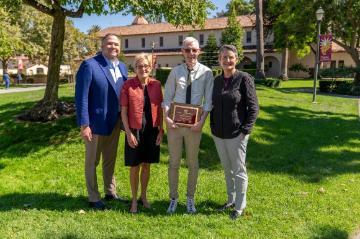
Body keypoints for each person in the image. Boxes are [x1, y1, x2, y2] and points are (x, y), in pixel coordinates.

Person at [75, 33, 128, 210]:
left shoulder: (122, 67)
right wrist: (84, 124)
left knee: (110, 160)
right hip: (94, 124)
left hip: (114, 122)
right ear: (102, 45)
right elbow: (81, 97)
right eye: (110, 43)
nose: (113, 47)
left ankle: (110, 192)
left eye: (117, 44)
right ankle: (93, 197)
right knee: (92, 161)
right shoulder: (90, 65)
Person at [163, 36, 214, 214]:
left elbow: (208, 101)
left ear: (199, 51)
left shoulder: (207, 72)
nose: (191, 53)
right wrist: (166, 118)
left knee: (193, 163)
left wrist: (201, 122)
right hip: (175, 126)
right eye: (187, 50)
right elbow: (167, 97)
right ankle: (173, 198)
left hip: (194, 126)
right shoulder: (175, 72)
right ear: (182, 51)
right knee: (174, 163)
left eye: (194, 49)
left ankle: (190, 198)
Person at [210, 45, 259, 220]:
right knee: (227, 169)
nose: (227, 60)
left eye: (231, 57)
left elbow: (254, 108)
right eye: (224, 57)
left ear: (236, 59)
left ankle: (239, 205)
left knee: (238, 170)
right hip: (218, 133)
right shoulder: (216, 80)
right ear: (219, 60)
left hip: (237, 133)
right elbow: (212, 104)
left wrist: (245, 130)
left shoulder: (244, 78)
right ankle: (230, 200)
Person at [120, 53, 163, 213]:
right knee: (134, 166)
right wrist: (128, 133)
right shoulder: (128, 85)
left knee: (146, 166)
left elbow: (160, 109)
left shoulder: (157, 85)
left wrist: (161, 130)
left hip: (151, 131)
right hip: (134, 130)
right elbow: (123, 112)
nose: (143, 69)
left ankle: (143, 197)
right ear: (135, 68)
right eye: (139, 66)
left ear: (150, 68)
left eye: (146, 66)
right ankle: (133, 200)